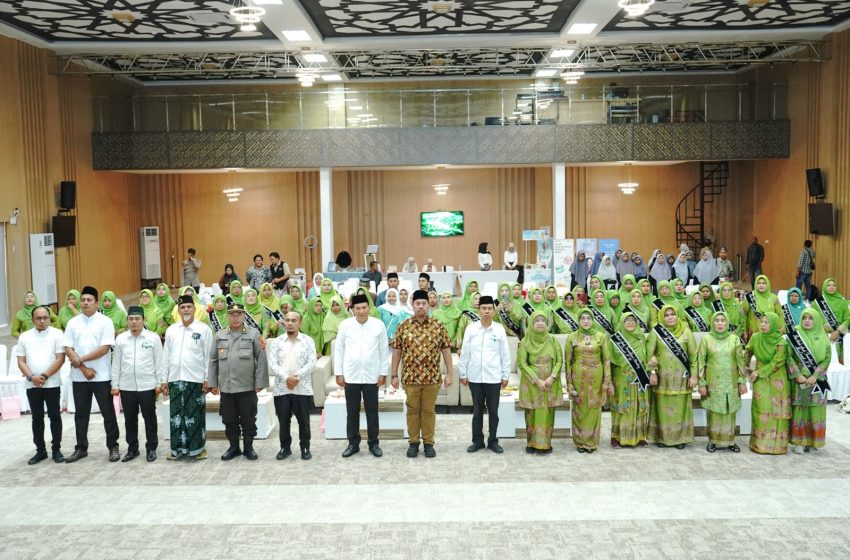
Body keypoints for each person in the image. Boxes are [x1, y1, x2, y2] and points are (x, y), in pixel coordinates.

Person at [390, 290, 453, 459]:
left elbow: (446, 350)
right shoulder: (403, 326)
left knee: (428, 411)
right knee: (412, 411)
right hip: (410, 378)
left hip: (432, 378)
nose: (420, 307)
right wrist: (394, 375)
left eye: (423, 303)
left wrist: (449, 374)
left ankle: (428, 443)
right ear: (412, 305)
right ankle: (413, 442)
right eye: (417, 303)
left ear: (429, 305)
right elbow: (396, 351)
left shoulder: (438, 325)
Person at [63, 286, 120, 463]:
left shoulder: (105, 322)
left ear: (97, 303)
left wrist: (80, 361)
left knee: (108, 413)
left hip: (101, 376)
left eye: (89, 300)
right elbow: (67, 347)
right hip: (80, 377)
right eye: (83, 300)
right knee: (81, 414)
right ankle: (81, 448)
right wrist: (83, 367)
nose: (85, 303)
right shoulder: (73, 323)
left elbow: (104, 349)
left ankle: (113, 446)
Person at [208, 302, 269, 461]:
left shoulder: (253, 334)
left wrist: (260, 382)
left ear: (244, 316)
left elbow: (261, 359)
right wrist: (212, 383)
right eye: (232, 314)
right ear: (227, 316)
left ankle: (249, 448)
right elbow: (213, 360)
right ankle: (233, 447)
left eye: (239, 314)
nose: (235, 317)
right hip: (227, 387)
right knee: (229, 419)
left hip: (247, 386)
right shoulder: (220, 335)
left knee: (248, 419)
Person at [159, 294, 214, 460]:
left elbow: (209, 356)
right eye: (182, 307)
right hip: (175, 379)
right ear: (178, 310)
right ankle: (177, 449)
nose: (186, 310)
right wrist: (164, 379)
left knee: (194, 415)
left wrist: (207, 378)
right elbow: (166, 356)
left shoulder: (203, 329)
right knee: (176, 416)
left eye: (189, 307)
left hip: (196, 379)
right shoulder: (171, 330)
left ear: (195, 309)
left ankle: (198, 449)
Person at [335, 293, 390, 458]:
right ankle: (353, 443)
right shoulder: (345, 325)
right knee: (352, 412)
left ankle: (374, 443)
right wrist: (339, 373)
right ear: (352, 309)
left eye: (364, 307)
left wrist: (383, 373)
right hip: (350, 376)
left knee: (372, 411)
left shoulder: (378, 325)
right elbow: (339, 350)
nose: (361, 311)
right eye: (357, 308)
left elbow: (383, 350)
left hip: (372, 376)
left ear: (369, 308)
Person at [458, 295, 510, 454]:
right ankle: (477, 441)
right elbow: (465, 352)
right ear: (479, 310)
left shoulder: (499, 329)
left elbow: (505, 354)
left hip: (493, 377)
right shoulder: (471, 329)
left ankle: (493, 441)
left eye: (490, 308)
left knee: (494, 411)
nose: (487, 311)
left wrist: (505, 375)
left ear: (494, 311)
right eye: (484, 308)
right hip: (475, 377)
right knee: (477, 411)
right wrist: (463, 373)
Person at [111, 306, 163, 462]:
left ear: (143, 320)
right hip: (127, 386)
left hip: (147, 385)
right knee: (130, 419)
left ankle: (151, 448)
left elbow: (159, 362)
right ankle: (132, 449)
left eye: (137, 319)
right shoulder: (121, 339)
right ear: (127, 321)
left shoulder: (152, 338)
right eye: (131, 319)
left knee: (150, 418)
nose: (134, 322)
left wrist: (159, 382)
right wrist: (115, 384)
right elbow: (116, 363)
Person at [16, 305, 66, 464]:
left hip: (51, 383)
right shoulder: (24, 337)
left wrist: (44, 376)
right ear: (33, 320)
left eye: (45, 318)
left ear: (50, 318)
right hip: (32, 385)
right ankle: (40, 450)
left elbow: (60, 359)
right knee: (37, 418)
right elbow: (21, 361)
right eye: (38, 318)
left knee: (54, 416)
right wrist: (32, 377)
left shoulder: (57, 334)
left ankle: (56, 449)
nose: (42, 321)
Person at [268, 311, 317, 461]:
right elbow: (272, 363)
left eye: (293, 320)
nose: (289, 323)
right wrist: (286, 378)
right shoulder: (277, 342)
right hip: (281, 388)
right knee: (283, 420)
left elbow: (312, 362)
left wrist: (296, 378)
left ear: (300, 323)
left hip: (302, 387)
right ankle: (285, 447)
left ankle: (305, 447)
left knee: (304, 421)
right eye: (287, 320)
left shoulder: (308, 341)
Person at [648, 304, 697, 449]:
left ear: (677, 315)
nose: (670, 317)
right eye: (667, 315)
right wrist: (652, 372)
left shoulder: (686, 332)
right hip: (663, 379)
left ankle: (680, 438)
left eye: (673, 314)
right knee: (662, 408)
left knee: (680, 407)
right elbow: (648, 354)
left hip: (681, 378)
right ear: (662, 316)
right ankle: (662, 438)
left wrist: (694, 376)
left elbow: (693, 356)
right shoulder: (656, 332)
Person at [697, 312, 747, 453]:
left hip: (730, 382)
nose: (719, 323)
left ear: (727, 323)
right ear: (712, 323)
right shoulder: (706, 339)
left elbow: (740, 362)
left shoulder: (734, 339)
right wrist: (702, 383)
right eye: (717, 320)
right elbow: (701, 362)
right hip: (714, 382)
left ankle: (730, 441)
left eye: (722, 321)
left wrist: (742, 381)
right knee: (714, 411)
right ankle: (713, 440)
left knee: (729, 411)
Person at [565, 309, 612, 453]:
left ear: (593, 320)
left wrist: (606, 381)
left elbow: (606, 360)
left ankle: (591, 442)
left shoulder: (601, 337)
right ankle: (580, 442)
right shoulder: (572, 337)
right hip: (578, 378)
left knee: (593, 409)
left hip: (596, 380)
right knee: (579, 408)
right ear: (578, 320)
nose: (586, 321)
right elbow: (568, 362)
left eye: (589, 318)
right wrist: (569, 382)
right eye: (583, 318)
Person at [745, 312, 792, 454]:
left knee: (778, 411)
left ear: (774, 324)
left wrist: (757, 372)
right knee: (761, 410)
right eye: (762, 322)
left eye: (767, 322)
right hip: (761, 380)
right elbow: (747, 352)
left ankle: (777, 445)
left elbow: (778, 362)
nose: (763, 325)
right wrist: (746, 368)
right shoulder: (756, 337)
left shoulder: (781, 341)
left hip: (778, 380)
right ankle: (759, 444)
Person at [517, 310, 563, 454]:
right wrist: (537, 380)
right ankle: (531, 443)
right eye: (537, 321)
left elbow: (559, 360)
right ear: (531, 323)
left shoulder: (553, 340)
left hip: (550, 384)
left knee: (547, 413)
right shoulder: (525, 341)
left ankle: (545, 444)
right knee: (532, 413)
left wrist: (552, 377)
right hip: (532, 384)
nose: (540, 323)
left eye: (543, 320)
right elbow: (522, 363)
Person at [788, 309, 830, 453]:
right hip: (802, 381)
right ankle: (800, 442)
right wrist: (798, 374)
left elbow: (827, 358)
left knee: (815, 410)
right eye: (804, 317)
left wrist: (816, 375)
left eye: (810, 318)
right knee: (802, 409)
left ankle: (813, 441)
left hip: (817, 382)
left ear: (816, 320)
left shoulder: (823, 337)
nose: (806, 320)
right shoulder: (795, 336)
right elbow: (789, 357)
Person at [610, 312, 652, 448]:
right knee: (622, 406)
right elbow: (609, 362)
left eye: (632, 320)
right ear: (621, 322)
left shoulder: (641, 338)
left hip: (639, 377)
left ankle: (639, 436)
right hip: (621, 378)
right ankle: (617, 437)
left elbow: (647, 358)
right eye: (626, 320)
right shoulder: (615, 340)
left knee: (640, 405)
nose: (630, 322)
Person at [744, 275, 783, 340]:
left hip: (770, 333)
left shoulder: (774, 298)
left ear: (767, 284)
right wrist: (743, 330)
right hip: (753, 333)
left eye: (763, 283)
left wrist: (781, 329)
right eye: (759, 283)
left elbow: (780, 315)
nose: (761, 285)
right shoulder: (750, 297)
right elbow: (743, 315)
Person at [815, 277, 849, 342]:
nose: (831, 287)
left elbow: (847, 319)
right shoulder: (817, 302)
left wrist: (838, 331)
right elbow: (814, 319)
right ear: (824, 287)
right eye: (828, 285)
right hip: (822, 336)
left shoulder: (842, 301)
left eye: (834, 285)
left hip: (840, 336)